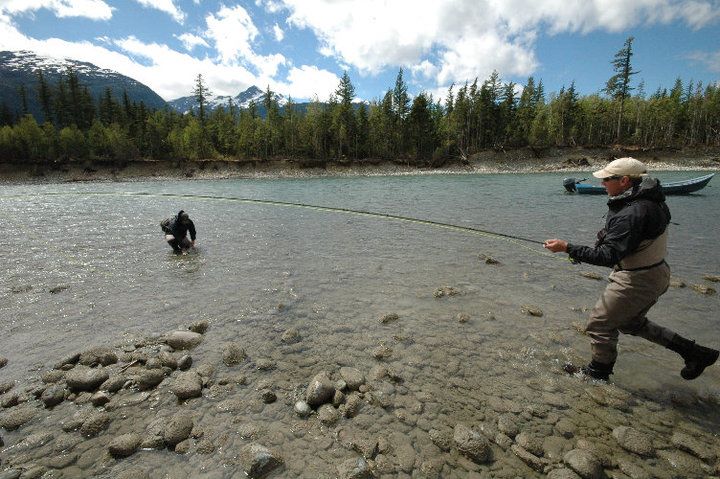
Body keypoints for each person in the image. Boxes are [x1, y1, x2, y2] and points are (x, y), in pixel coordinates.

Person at [544, 157, 718, 381]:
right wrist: (575, 251)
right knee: (629, 322)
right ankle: (695, 353)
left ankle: (597, 374)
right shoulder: (649, 201)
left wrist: (567, 247)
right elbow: (622, 245)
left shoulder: (633, 212)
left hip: (638, 279)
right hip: (655, 273)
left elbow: (607, 256)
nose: (602, 184)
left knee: (599, 324)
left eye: (606, 179)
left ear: (624, 180)